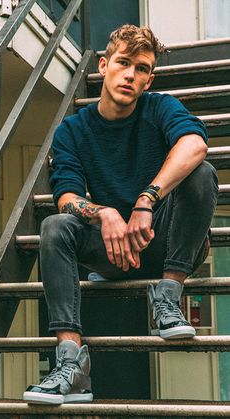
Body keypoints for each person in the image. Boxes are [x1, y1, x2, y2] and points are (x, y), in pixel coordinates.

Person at [23, 24, 218, 405]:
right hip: (113, 251)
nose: (131, 74)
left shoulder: (159, 107)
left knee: (202, 172)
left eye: (142, 68)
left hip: (164, 241)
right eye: (124, 63)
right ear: (103, 65)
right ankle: (71, 365)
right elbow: (66, 197)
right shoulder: (73, 130)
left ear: (149, 79)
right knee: (55, 225)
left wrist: (147, 199)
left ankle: (168, 295)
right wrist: (104, 214)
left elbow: (195, 142)